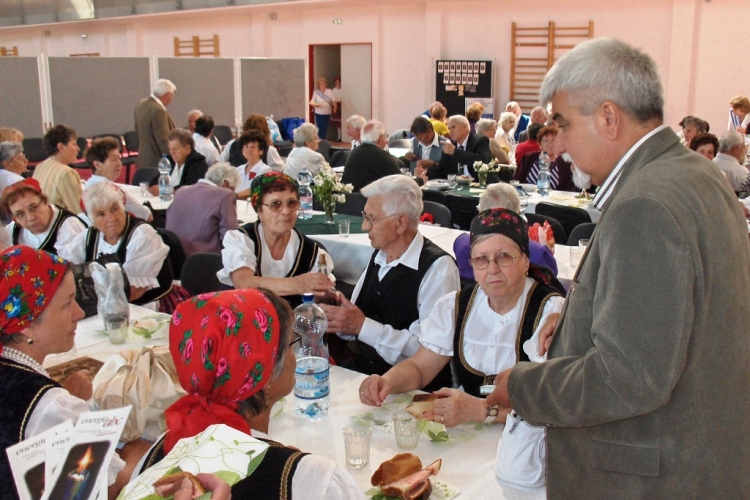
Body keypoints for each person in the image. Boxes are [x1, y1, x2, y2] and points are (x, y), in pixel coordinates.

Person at [486, 38, 750, 498]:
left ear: (609, 118)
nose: (558, 144)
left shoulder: (644, 204)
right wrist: (574, 322)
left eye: (564, 124)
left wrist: (525, 386)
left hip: (649, 473)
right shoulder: (696, 174)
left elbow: (629, 377)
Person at [132, 288, 365, 499]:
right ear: (264, 377)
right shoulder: (313, 481)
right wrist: (296, 465)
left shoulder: (160, 450)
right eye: (290, 345)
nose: (296, 356)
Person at [360, 209, 564, 427]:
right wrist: (386, 382)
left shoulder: (550, 312)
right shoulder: (456, 306)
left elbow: (553, 402)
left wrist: (484, 411)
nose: (492, 269)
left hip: (530, 439)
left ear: (525, 261)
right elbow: (420, 368)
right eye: (481, 259)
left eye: (503, 257)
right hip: (467, 430)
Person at [0, 246, 152, 500]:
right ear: (27, 325)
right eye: (67, 303)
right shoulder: (49, 406)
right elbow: (92, 491)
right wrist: (135, 456)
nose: (79, 314)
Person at [319, 175, 460, 389]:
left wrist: (362, 326)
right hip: (366, 373)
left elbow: (427, 352)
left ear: (401, 222)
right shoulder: (380, 255)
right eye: (364, 216)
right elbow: (355, 323)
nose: (365, 226)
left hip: (414, 388)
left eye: (372, 219)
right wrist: (337, 313)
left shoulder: (438, 269)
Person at [60, 182, 182, 312]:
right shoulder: (89, 236)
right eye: (101, 214)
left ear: (123, 208)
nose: (111, 218)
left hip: (148, 308)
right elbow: (66, 270)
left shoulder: (142, 235)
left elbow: (132, 291)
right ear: (92, 220)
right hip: (106, 306)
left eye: (114, 209)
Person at [218, 172, 334, 307]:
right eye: (275, 204)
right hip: (241, 321)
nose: (285, 211)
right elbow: (243, 283)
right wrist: (298, 285)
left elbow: (321, 303)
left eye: (292, 203)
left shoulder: (312, 252)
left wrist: (325, 295)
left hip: (290, 327)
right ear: (259, 210)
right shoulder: (241, 239)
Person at [453, 184, 558, 281]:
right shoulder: (534, 251)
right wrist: (545, 247)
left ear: (480, 211)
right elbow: (552, 277)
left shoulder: (461, 243)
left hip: (473, 299)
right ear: (516, 214)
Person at [165, 163, 239, 256]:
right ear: (226, 184)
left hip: (174, 255)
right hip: (204, 259)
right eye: (233, 189)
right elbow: (229, 236)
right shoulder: (225, 194)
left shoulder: (181, 190)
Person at [2, 178, 86, 254]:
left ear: (45, 202)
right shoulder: (12, 232)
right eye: (20, 214)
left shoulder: (69, 227)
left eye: (34, 208)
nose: (31, 218)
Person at [83, 137, 153, 222]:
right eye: (113, 159)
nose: (120, 164)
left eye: (119, 158)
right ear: (97, 165)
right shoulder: (115, 192)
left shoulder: (87, 188)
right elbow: (147, 216)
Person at [418, 115, 491, 181]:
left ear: (465, 127)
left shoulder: (480, 140)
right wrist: (425, 173)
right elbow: (442, 170)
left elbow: (483, 161)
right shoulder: (451, 146)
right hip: (457, 186)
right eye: (449, 128)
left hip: (479, 183)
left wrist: (455, 152)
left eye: (453, 127)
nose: (450, 131)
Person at [31, 124, 83, 214]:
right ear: (61, 147)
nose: (78, 149)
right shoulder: (66, 173)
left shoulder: (40, 167)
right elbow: (79, 211)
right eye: (74, 144)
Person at [341, 120, 401, 191]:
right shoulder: (382, 156)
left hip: (350, 198)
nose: (387, 140)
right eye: (386, 136)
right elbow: (400, 182)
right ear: (380, 139)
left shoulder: (354, 152)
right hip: (369, 199)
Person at [514, 125, 576, 191]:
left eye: (553, 140)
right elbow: (516, 180)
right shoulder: (529, 158)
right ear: (540, 145)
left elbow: (570, 188)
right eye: (546, 141)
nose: (550, 144)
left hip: (554, 200)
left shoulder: (565, 163)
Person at [148, 128, 209, 194]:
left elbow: (191, 187)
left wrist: (167, 190)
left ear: (187, 149)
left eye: (175, 149)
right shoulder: (169, 160)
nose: (172, 153)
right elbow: (154, 183)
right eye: (170, 149)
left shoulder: (198, 162)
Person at [134, 79, 177, 170]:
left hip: (144, 157)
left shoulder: (141, 104)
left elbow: (137, 129)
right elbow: (163, 139)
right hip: (156, 161)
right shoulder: (158, 111)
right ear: (168, 95)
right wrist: (173, 159)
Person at [220, 114, 285, 172]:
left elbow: (219, 163)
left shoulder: (231, 144)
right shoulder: (268, 149)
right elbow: (281, 169)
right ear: (266, 130)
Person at [234, 130, 272, 199]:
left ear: (261, 151)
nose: (249, 150)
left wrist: (232, 196)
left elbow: (253, 190)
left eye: (253, 147)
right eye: (246, 147)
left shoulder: (266, 170)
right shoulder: (238, 169)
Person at [0, 141, 28, 222]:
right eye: (20, 158)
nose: (26, 160)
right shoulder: (15, 181)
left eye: (24, 156)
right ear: (7, 164)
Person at [331, 76, 343, 141]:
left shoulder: (343, 89)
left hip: (342, 105)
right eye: (336, 82)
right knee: (337, 123)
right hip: (336, 105)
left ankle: (343, 136)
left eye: (338, 82)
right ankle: (339, 136)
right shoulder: (333, 90)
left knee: (342, 122)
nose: (337, 83)